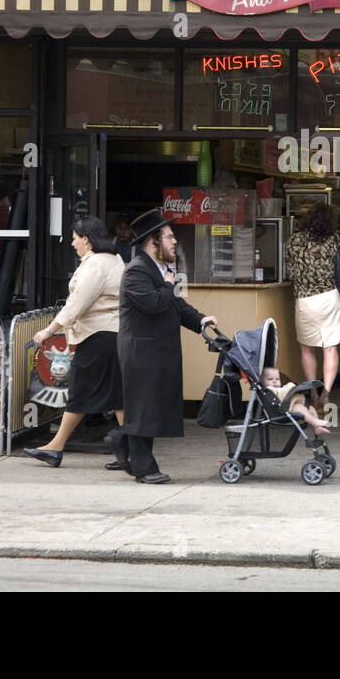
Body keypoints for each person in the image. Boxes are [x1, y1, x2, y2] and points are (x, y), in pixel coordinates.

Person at [115, 207, 218, 484]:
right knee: (142, 409)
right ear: (154, 242)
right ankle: (144, 468)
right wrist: (169, 284)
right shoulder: (137, 271)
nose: (175, 242)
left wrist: (200, 321)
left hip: (155, 351)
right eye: (170, 237)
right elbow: (154, 304)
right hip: (140, 351)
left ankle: (121, 443)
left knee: (148, 408)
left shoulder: (161, 270)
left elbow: (176, 305)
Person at [23, 216, 126, 468]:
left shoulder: (96, 265)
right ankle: (135, 451)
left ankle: (55, 447)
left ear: (87, 239)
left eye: (74, 238)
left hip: (97, 336)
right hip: (112, 335)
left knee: (80, 392)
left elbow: (77, 304)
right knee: (118, 397)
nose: (72, 243)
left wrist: (48, 330)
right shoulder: (115, 260)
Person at [285, 202, 340, 411]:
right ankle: (326, 393)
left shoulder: (294, 241)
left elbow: (291, 273)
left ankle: (312, 392)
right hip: (331, 297)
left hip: (305, 300)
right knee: (330, 349)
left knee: (307, 348)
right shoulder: (334, 240)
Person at [260, 367, 332, 436]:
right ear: (262, 381)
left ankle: (317, 428)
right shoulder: (269, 390)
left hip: (289, 406)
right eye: (270, 379)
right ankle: (314, 422)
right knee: (299, 407)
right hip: (280, 411)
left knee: (311, 408)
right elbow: (282, 394)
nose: (274, 381)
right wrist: (290, 386)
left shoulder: (279, 388)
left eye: (277, 379)